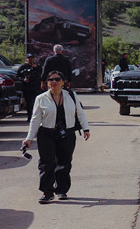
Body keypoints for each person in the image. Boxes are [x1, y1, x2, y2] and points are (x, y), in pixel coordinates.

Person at [21, 68, 90, 203]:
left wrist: (86, 128)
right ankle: (47, 192)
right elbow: (35, 119)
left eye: (57, 79)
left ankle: (62, 190)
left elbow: (80, 113)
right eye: (50, 80)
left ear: (63, 82)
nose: (54, 82)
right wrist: (29, 139)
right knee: (47, 163)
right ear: (46, 83)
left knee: (64, 162)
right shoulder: (41, 98)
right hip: (47, 133)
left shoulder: (71, 95)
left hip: (67, 133)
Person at [16, 50, 42, 118]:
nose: (30, 59)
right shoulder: (23, 67)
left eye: (31, 58)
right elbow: (17, 76)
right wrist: (23, 80)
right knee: (28, 102)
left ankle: (36, 115)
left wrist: (36, 68)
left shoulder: (37, 66)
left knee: (36, 102)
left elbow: (42, 74)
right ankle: (29, 116)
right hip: (27, 87)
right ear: (27, 59)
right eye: (29, 58)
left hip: (36, 87)